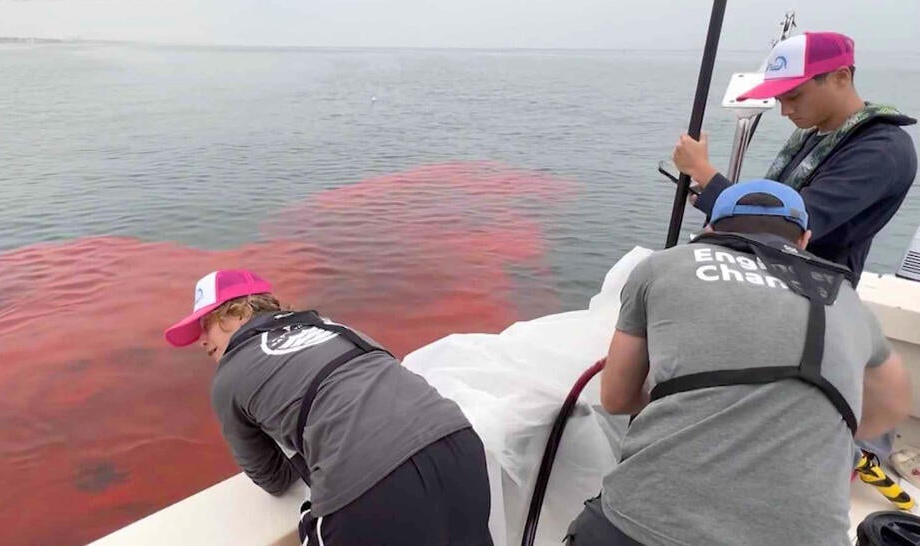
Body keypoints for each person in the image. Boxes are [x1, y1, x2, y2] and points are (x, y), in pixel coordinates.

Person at [564, 180, 912, 545]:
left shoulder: (662, 266)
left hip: (642, 524)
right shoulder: (846, 298)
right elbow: (892, 406)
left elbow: (617, 397)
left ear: (710, 230)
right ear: (804, 240)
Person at [164, 269, 494, 546]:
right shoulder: (333, 327)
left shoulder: (230, 375)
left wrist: (290, 431)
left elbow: (273, 479)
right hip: (459, 445)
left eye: (205, 324)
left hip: (369, 487)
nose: (201, 341)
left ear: (237, 313)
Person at [673, 31, 917, 288]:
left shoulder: (882, 149)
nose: (785, 111)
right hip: (766, 277)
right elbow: (771, 206)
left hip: (812, 295)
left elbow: (790, 226)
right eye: (779, 99)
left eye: (794, 96)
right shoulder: (815, 134)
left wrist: (703, 172)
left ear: (841, 77)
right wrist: (709, 192)